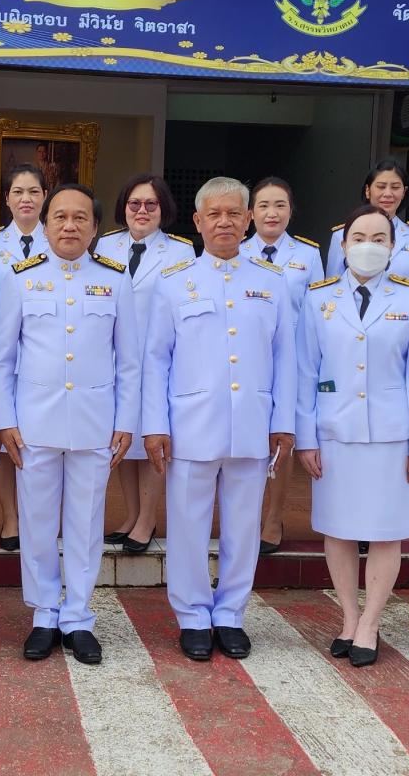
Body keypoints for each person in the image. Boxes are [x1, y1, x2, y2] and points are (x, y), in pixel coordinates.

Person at [142, 176, 295, 661]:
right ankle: (192, 615)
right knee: (187, 524)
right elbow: (155, 358)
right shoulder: (174, 283)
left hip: (252, 422)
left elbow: (287, 356)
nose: (224, 222)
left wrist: (283, 421)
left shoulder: (272, 283)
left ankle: (230, 614)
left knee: (243, 527)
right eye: (214, 214)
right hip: (191, 424)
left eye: (233, 213)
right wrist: (155, 424)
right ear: (198, 221)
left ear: (248, 219)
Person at [0, 184, 139, 665]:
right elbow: (1, 360)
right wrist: (4, 420)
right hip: (34, 423)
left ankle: (78, 617)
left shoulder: (115, 279)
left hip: (95, 423)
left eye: (80, 218)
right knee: (36, 522)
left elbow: (129, 361)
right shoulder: (21, 277)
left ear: (95, 228)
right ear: (46, 224)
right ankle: (44, 615)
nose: (69, 226)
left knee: (86, 522)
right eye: (60, 217)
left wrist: (126, 421)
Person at [295, 205, 409, 668]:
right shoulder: (318, 299)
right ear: (343, 245)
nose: (368, 246)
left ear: (393, 247)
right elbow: (305, 371)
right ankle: (349, 618)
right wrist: (306, 437)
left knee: (385, 532)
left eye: (379, 238)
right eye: (359, 237)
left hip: (393, 435)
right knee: (337, 529)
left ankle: (371, 623)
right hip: (335, 432)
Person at [95, 175, 191, 552]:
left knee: (152, 436)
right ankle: (131, 514)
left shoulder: (180, 251)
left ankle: (148, 519)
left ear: (163, 209)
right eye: (134, 203)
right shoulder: (106, 245)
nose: (142, 211)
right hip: (114, 358)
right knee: (123, 438)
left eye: (151, 204)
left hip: (157, 357)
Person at [242, 176, 323, 555]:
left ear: (291, 211)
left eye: (280, 205)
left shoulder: (308, 255)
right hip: (249, 359)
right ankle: (245, 517)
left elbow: (318, 311)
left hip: (293, 361)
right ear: (250, 213)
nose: (271, 213)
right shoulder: (238, 251)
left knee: (282, 440)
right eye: (263, 205)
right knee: (249, 439)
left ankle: (273, 518)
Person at [0, 163, 51, 552]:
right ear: (6, 198)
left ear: (44, 197)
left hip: (44, 360)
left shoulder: (58, 240)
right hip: (3, 359)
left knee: (41, 441)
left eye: (34, 191)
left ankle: (38, 518)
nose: (26, 199)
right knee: (4, 441)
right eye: (18, 192)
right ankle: (11, 517)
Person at [327, 160, 409, 280]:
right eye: (381, 187)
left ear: (404, 192)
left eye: (395, 187)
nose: (388, 194)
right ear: (368, 191)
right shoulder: (341, 235)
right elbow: (333, 283)